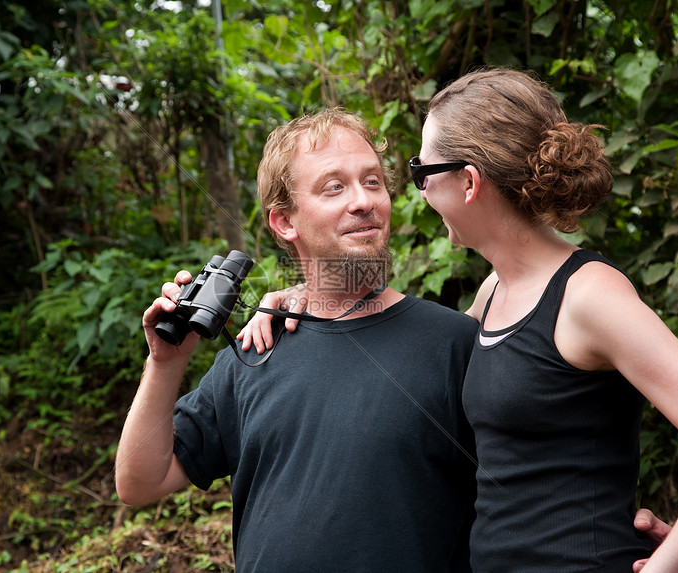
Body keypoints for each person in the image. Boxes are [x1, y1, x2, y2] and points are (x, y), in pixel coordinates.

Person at [240, 68, 678, 572]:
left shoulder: (588, 295)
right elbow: (410, 345)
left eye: (423, 172)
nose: (419, 192)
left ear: (468, 182)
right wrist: (310, 297)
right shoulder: (496, 292)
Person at [115, 108, 479, 571]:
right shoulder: (254, 351)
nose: (363, 201)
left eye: (372, 182)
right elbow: (139, 484)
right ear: (285, 222)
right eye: (334, 187)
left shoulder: (455, 345)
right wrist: (164, 364)